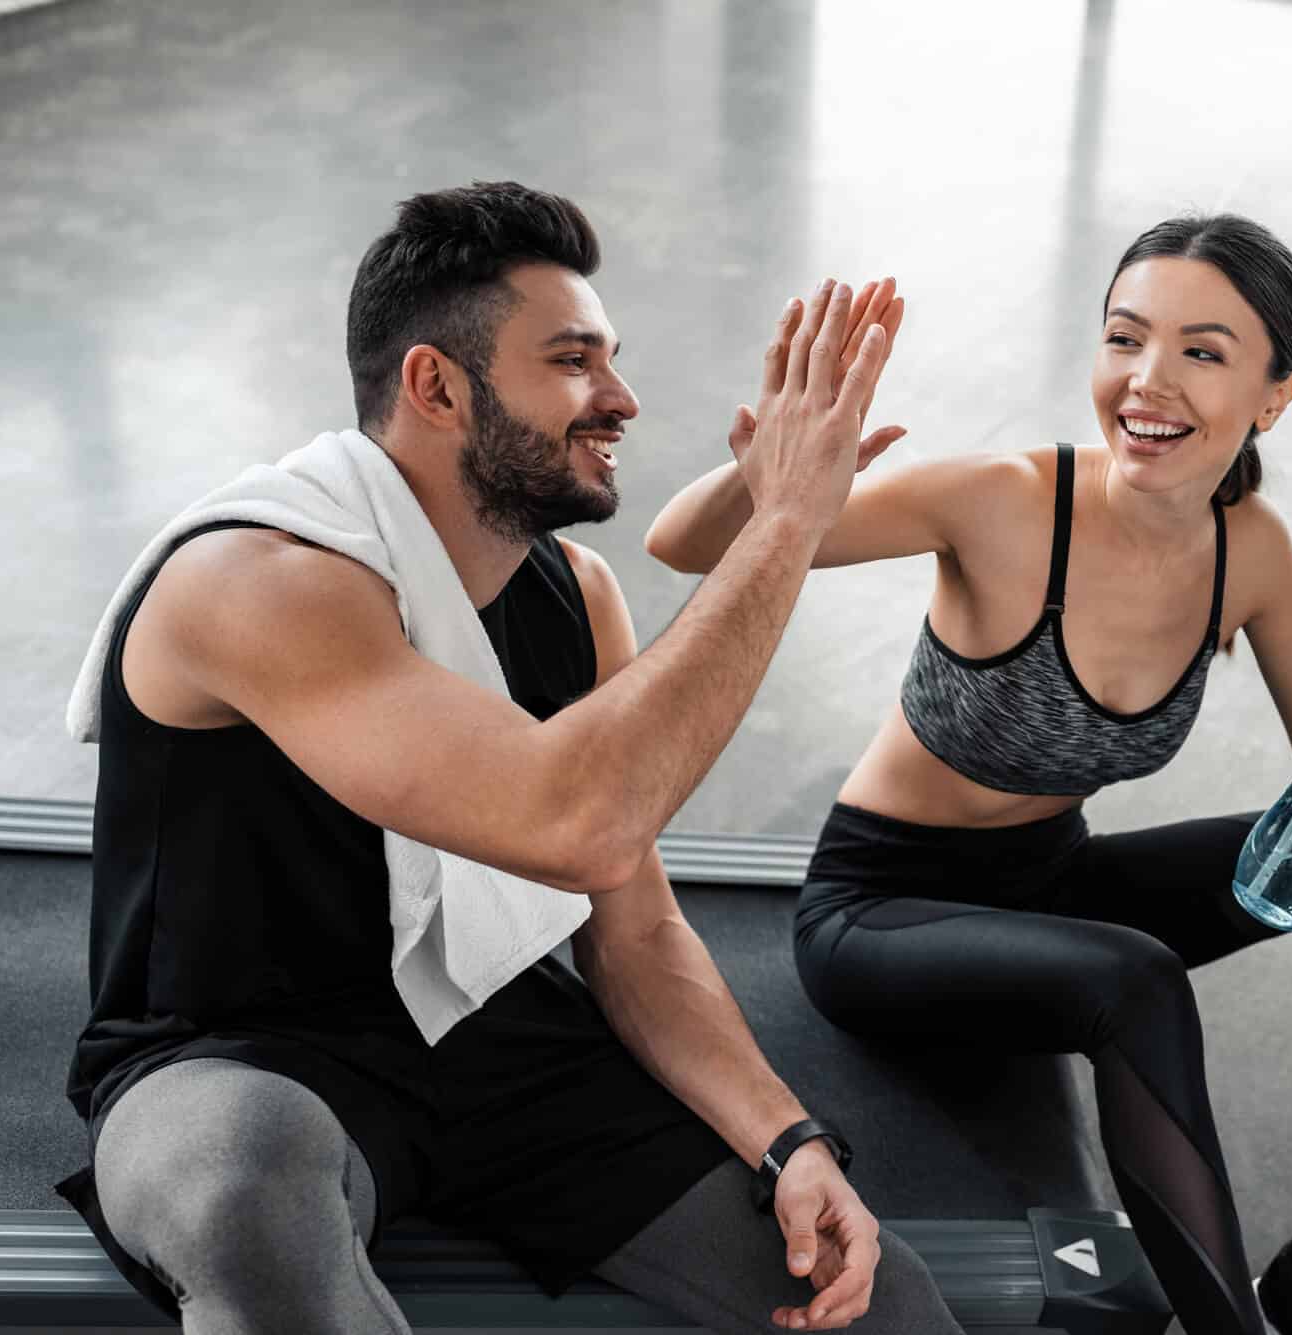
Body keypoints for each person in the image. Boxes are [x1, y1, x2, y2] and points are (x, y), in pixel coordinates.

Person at [55, 181, 965, 1335]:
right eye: (573, 361)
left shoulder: (577, 602)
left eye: (611, 359)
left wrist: (786, 1137)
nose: (621, 398)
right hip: (239, 1059)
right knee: (247, 1189)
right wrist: (784, 520)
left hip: (500, 1045)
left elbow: (630, 925)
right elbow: (567, 818)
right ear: (437, 384)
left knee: (880, 1313)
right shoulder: (257, 586)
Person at [647, 214, 1292, 1335]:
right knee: (1136, 979)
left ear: (1275, 395)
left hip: (1045, 883)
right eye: (1124, 339)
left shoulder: (1249, 552)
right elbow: (683, 544)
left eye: (1202, 353)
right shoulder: (1002, 500)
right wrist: (768, 476)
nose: (1147, 381)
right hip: (880, 913)